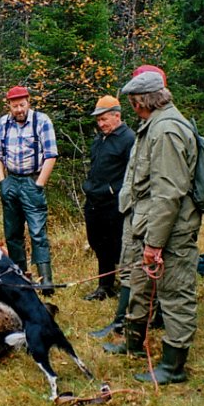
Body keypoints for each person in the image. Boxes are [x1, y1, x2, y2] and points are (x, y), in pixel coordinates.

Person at [102, 69, 201, 385]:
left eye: (133, 102)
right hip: (148, 223)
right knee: (140, 286)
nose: (132, 108)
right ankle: (133, 343)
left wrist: (154, 243)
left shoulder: (167, 131)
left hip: (170, 231)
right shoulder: (154, 125)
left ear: (144, 100)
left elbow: (168, 193)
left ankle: (174, 366)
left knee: (175, 293)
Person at [0, 86, 58, 295]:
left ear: (29, 102)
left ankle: (45, 279)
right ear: (9, 106)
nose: (19, 109)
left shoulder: (42, 121)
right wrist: (3, 182)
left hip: (32, 182)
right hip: (11, 182)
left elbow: (51, 155)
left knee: (38, 232)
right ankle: (20, 277)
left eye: (22, 104)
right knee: (12, 234)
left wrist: (39, 184)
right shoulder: (3, 123)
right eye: (14, 106)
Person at [81, 95, 134, 304]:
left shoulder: (129, 139)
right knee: (98, 243)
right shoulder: (100, 139)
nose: (100, 124)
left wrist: (117, 193)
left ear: (117, 116)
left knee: (118, 246)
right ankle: (105, 286)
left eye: (104, 119)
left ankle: (129, 286)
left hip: (115, 204)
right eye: (98, 120)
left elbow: (133, 174)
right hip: (94, 202)